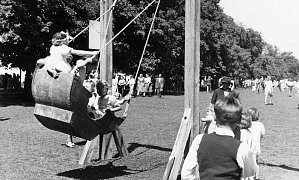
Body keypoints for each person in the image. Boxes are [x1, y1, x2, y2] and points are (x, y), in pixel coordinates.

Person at [181, 96, 257, 180]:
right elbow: (250, 177)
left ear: (215, 116)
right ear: (239, 120)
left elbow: (186, 174)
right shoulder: (243, 148)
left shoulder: (199, 139)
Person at [247, 107, 265, 180]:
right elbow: (262, 134)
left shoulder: (247, 124)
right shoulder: (260, 125)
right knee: (256, 162)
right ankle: (256, 176)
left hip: (248, 146)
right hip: (256, 147)